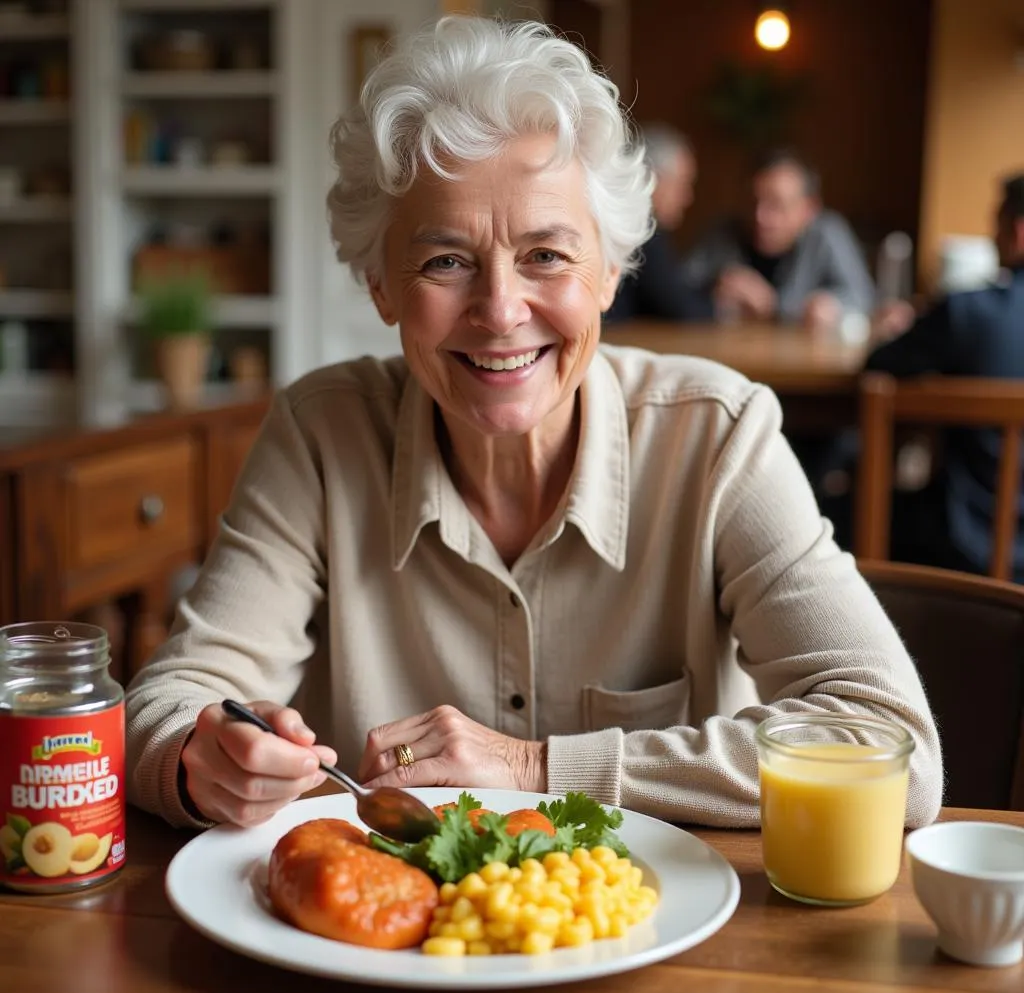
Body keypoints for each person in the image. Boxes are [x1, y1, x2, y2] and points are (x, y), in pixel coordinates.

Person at [124, 17, 942, 832]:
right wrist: (203, 764)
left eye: (547, 256)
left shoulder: (720, 437)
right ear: (380, 286)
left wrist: (534, 767)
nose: (501, 310)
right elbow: (164, 704)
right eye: (445, 261)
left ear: (611, 272)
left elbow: (891, 747)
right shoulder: (320, 435)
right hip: (391, 947)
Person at [864, 172, 1024, 580]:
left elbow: (878, 364)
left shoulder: (969, 314)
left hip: (966, 548)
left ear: (1018, 231)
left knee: (841, 508)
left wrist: (904, 327)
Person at [682, 148, 876, 331]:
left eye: (776, 205)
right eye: (752, 201)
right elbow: (678, 289)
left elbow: (864, 298)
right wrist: (713, 290)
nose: (760, 216)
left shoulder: (827, 233)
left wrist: (777, 306)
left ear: (809, 209)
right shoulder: (723, 232)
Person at [604, 124, 711, 322]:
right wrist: (723, 307)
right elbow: (681, 310)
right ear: (651, 178)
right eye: (682, 184)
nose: (687, 197)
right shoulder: (641, 227)